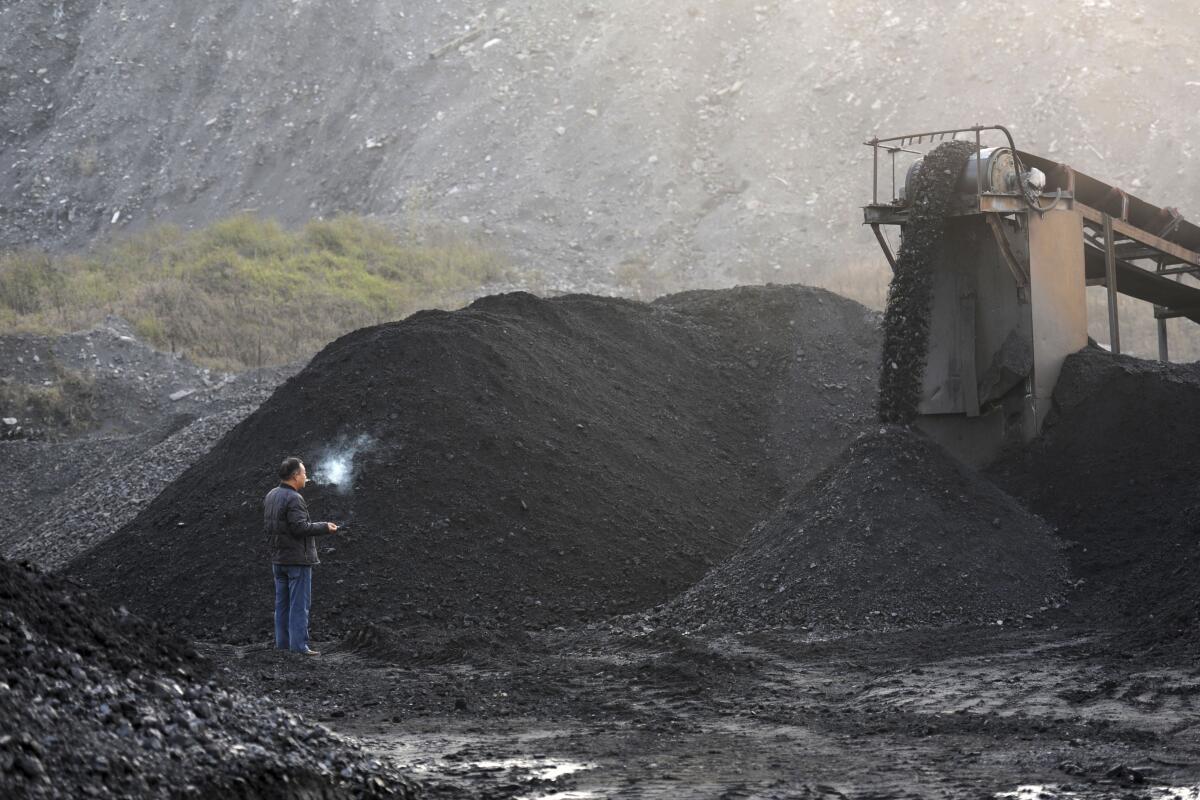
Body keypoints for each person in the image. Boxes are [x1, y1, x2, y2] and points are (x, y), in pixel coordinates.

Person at [263, 457, 338, 655]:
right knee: (299, 605)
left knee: (282, 605)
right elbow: (299, 528)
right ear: (295, 475)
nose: (306, 477)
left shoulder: (271, 495)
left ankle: (283, 644)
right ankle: (299, 647)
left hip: (278, 560)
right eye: (304, 473)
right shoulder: (294, 498)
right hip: (297, 561)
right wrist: (324, 527)